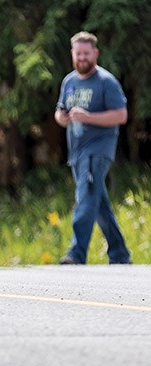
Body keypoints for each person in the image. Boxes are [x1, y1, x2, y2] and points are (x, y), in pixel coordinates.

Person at [54, 32, 131, 265]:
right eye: (78, 53)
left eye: (86, 53)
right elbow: (59, 111)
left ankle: (76, 253)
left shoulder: (106, 81)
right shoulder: (69, 81)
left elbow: (121, 115)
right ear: (72, 54)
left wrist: (89, 117)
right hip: (76, 152)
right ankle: (119, 254)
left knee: (85, 197)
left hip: (99, 149)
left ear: (95, 53)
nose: (82, 58)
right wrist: (62, 117)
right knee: (97, 203)